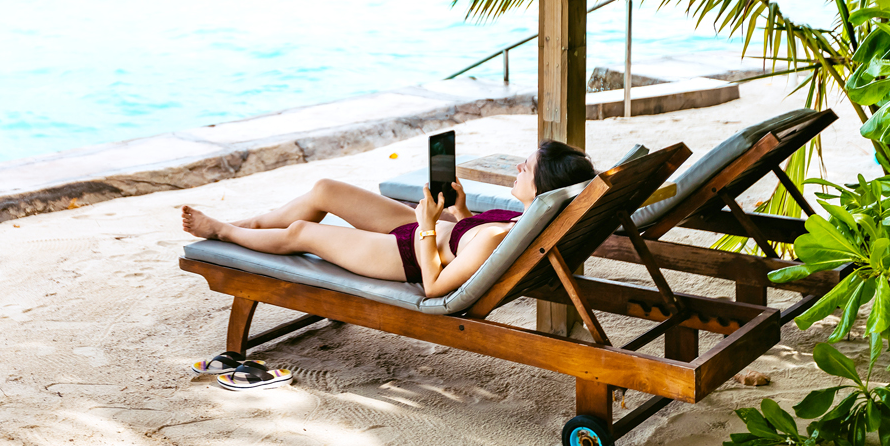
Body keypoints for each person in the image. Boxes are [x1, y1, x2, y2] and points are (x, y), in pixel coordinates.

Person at [181, 140, 595, 298]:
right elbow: (470, 235)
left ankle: (224, 230)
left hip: (407, 257)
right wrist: (460, 211)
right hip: (425, 231)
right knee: (326, 189)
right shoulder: (521, 219)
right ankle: (255, 223)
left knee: (302, 233)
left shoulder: (498, 239)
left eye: (524, 169)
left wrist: (431, 224)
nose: (517, 170)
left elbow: (434, 286)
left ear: (541, 188)